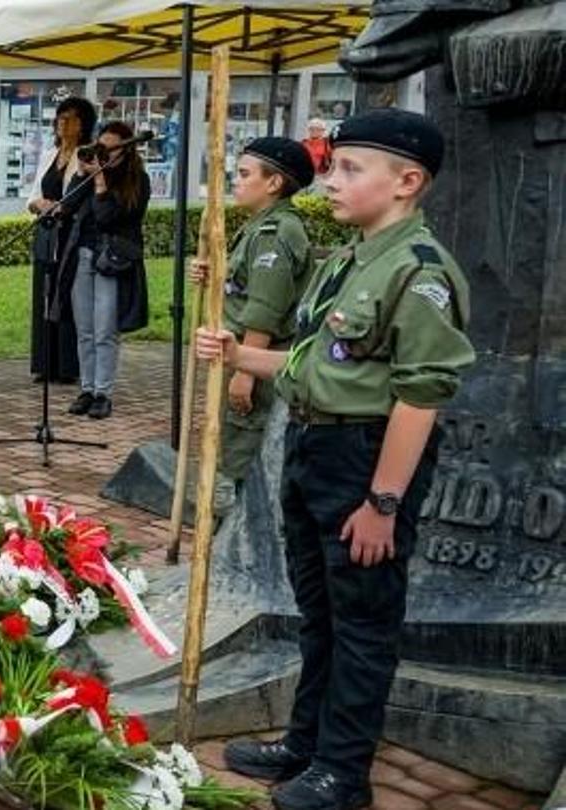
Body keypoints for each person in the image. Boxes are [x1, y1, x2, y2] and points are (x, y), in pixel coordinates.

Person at [202, 109, 473, 810]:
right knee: (318, 613)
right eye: (334, 164)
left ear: (407, 182)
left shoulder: (419, 274)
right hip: (314, 447)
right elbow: (313, 363)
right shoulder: (352, 258)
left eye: (351, 168)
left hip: (365, 460)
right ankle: (308, 742)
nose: (330, 179)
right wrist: (238, 355)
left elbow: (420, 399)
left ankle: (342, 772)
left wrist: (382, 503)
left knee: (361, 622)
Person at [189, 137, 315, 516]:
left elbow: (266, 307)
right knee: (230, 447)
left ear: (274, 183)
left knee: (241, 459)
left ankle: (236, 543)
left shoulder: (275, 232)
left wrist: (244, 371)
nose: (236, 181)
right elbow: (245, 287)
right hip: (240, 352)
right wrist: (213, 276)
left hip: (256, 359)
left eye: (245, 174)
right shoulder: (258, 227)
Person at [67, 120, 151, 420]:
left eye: (110, 148)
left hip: (113, 261)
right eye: (100, 146)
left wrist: (100, 182)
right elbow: (68, 206)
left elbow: (107, 218)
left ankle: (103, 392)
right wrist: (80, 174)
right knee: (85, 330)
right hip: (85, 256)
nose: (104, 153)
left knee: (105, 330)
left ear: (126, 150)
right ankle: (87, 389)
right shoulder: (91, 173)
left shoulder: (137, 181)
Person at [27, 96, 96, 385]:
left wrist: (60, 207)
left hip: (71, 235)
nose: (63, 123)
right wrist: (40, 205)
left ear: (83, 125)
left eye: (70, 118)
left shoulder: (86, 156)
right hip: (47, 233)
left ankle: (67, 365)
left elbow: (80, 198)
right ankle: (45, 363)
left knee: (66, 296)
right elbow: (31, 196)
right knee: (44, 294)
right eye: (60, 117)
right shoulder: (48, 155)